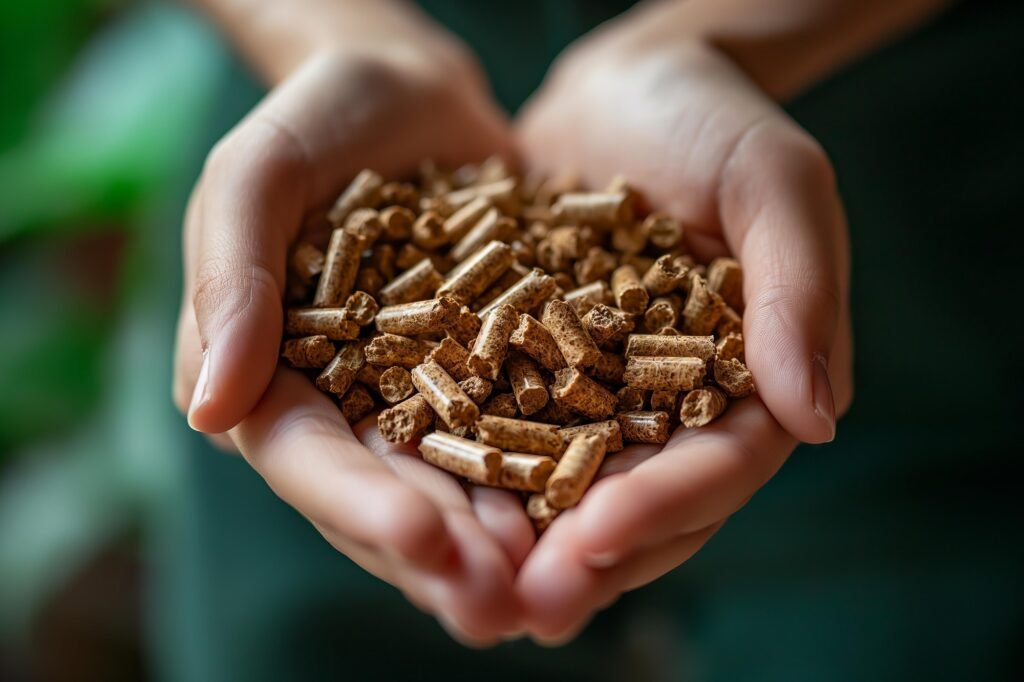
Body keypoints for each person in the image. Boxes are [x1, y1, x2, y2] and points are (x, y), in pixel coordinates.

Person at [166, 0, 1022, 676]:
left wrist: (719, 37)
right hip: (342, 126)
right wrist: (327, 33)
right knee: (300, 643)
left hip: (904, 174)